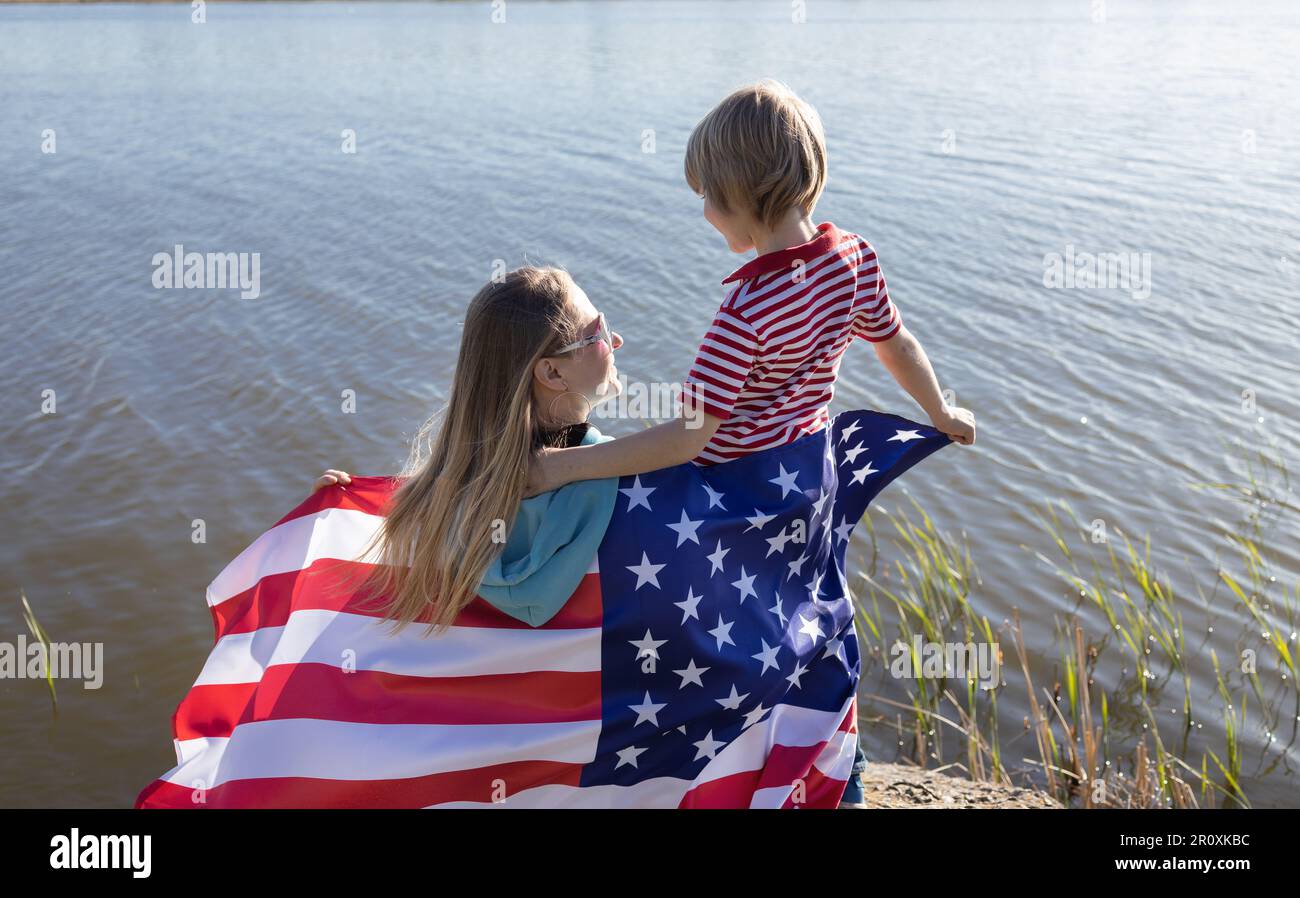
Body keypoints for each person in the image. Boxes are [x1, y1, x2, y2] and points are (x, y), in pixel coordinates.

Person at [523, 79, 977, 807]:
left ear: (743, 197)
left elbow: (688, 435)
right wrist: (940, 407)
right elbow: (895, 342)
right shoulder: (852, 259)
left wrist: (563, 467)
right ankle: (837, 767)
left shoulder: (745, 308)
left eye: (708, 196)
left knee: (696, 609)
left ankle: (685, 750)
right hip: (809, 481)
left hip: (738, 496)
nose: (703, 211)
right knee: (810, 615)